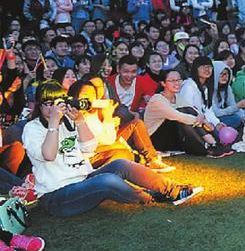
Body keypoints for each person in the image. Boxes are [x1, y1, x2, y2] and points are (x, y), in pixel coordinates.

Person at [22, 81, 202, 217]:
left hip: (83, 180)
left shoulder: (67, 121)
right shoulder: (32, 129)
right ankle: (152, 197)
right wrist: (54, 123)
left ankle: (173, 190)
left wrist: (80, 120)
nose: (53, 108)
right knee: (107, 180)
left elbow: (89, 146)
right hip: (56, 196)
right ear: (39, 105)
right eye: (47, 103)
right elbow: (48, 155)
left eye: (57, 102)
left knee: (121, 164)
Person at [144, 69, 233, 158]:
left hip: (172, 137)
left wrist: (203, 119)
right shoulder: (157, 99)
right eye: (172, 80)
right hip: (155, 140)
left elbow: (193, 111)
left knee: (188, 111)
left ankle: (213, 143)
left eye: (179, 80)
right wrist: (202, 122)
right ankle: (206, 147)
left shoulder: (177, 97)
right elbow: (179, 116)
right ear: (163, 83)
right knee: (182, 115)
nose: (177, 83)